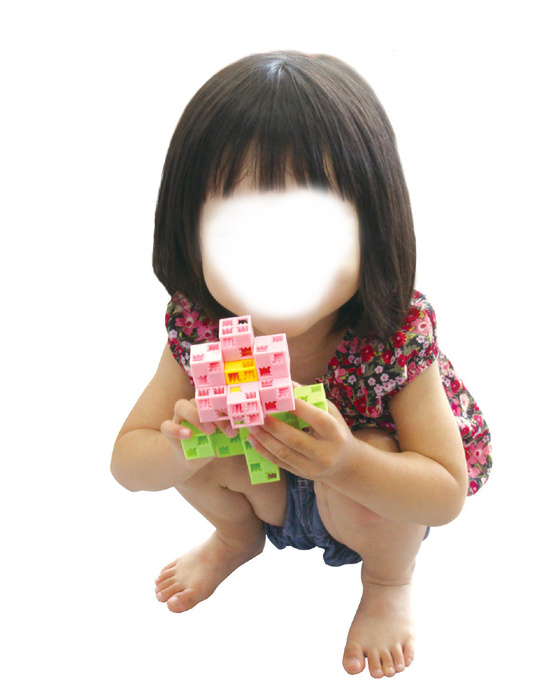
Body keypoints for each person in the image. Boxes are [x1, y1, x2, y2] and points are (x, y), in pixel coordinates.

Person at [110, 51, 492, 680]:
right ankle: (236, 541)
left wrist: (348, 462)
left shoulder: (392, 333)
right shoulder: (202, 327)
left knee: (376, 446)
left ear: (374, 228)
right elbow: (128, 462)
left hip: (372, 510)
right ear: (190, 232)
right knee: (191, 444)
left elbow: (445, 492)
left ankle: (388, 584)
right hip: (265, 500)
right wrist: (186, 444)